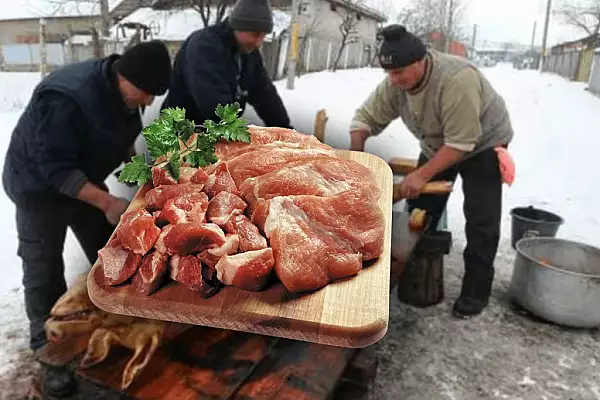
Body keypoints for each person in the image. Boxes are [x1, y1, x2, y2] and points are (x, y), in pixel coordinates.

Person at [2, 40, 172, 353]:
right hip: (38, 186)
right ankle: (47, 346)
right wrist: (108, 202)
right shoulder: (67, 98)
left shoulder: (126, 94)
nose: (148, 100)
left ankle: (116, 313)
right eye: (146, 93)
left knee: (110, 248)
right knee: (43, 269)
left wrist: (137, 171)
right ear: (125, 78)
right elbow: (56, 169)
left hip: (82, 178)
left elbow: (122, 134)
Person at [349, 25, 515, 319]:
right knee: (419, 212)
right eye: (389, 73)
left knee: (481, 220)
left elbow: (461, 144)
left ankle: (475, 292)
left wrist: (421, 175)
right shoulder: (395, 81)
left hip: (482, 144)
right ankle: (414, 274)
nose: (394, 79)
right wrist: (357, 156)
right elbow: (364, 118)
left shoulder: (456, 80)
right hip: (438, 140)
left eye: (399, 72)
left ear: (420, 60)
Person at [162, 0, 293, 128]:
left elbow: (264, 94)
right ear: (239, 26)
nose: (259, 42)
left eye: (263, 36)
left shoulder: (248, 53)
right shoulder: (204, 47)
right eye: (256, 34)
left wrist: (285, 130)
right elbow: (215, 106)